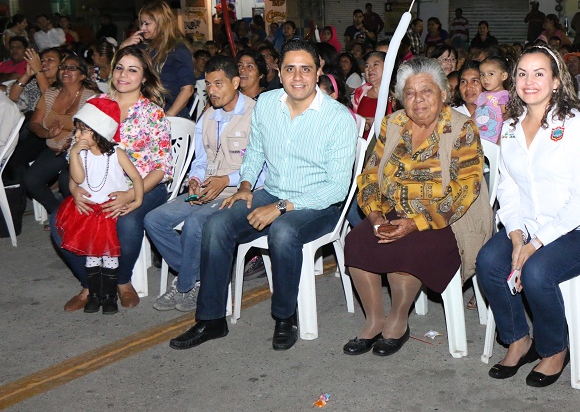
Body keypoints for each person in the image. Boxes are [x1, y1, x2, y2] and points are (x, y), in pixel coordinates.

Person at [169, 39, 357, 350]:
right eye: (290, 69)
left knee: (283, 232)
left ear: (318, 71)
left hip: (320, 203)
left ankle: (285, 317)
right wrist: (245, 186)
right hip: (272, 192)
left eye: (306, 69)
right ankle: (211, 319)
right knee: (216, 223)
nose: (298, 78)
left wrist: (282, 207)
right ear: (279, 73)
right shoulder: (267, 104)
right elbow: (254, 151)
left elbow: (337, 188)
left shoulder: (338, 118)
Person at [475, 45, 580, 387]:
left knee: (537, 272)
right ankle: (518, 338)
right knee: (488, 263)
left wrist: (534, 244)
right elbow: (507, 188)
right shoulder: (510, 126)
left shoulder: (576, 125)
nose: (529, 81)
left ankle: (554, 349)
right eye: (522, 73)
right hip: (531, 224)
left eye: (539, 73)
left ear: (555, 81)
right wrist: (516, 237)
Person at [343, 57, 492, 356]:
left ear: (443, 94)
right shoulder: (393, 124)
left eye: (426, 91)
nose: (418, 99)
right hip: (393, 207)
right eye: (409, 93)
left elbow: (465, 190)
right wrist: (373, 213)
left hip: (446, 217)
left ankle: (398, 319)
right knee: (356, 242)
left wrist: (415, 222)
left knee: (409, 247)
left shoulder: (462, 128)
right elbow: (370, 174)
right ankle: (374, 319)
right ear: (401, 98)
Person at [53, 46, 172, 312]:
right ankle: (90, 285)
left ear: (144, 77)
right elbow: (76, 151)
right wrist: (74, 188)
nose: (123, 75)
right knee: (57, 224)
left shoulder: (151, 113)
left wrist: (131, 195)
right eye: (120, 67)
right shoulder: (96, 105)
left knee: (126, 221)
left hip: (144, 185)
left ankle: (122, 281)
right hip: (93, 184)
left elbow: (162, 166)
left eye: (133, 70)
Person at [144, 56, 258, 312]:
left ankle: (184, 285)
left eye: (219, 84)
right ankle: (195, 276)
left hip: (240, 193)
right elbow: (201, 159)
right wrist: (195, 179)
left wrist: (227, 180)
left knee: (196, 223)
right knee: (154, 220)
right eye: (208, 84)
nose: (212, 90)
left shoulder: (257, 114)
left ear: (236, 82)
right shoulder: (207, 116)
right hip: (207, 189)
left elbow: (266, 170)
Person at [57, 98, 144, 315]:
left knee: (109, 256)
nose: (77, 135)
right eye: (77, 130)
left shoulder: (117, 154)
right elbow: (77, 179)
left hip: (107, 211)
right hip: (88, 211)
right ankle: (95, 295)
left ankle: (110, 296)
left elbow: (136, 178)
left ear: (99, 132)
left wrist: (138, 200)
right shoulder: (81, 155)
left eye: (83, 131)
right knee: (92, 256)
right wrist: (75, 154)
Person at [21, 55, 98, 217]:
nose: (66, 71)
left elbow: (95, 131)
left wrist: (73, 142)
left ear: (83, 75)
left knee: (66, 180)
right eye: (63, 67)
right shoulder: (50, 94)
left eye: (72, 68)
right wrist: (47, 133)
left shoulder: (91, 98)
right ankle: (60, 214)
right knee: (31, 180)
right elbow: (34, 123)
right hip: (55, 148)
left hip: (82, 151)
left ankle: (76, 218)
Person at [120, 1, 195, 118]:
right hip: (142, 113)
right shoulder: (142, 47)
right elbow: (119, 74)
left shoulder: (178, 50)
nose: (142, 28)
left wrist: (168, 117)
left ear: (161, 24)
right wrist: (124, 47)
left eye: (147, 24)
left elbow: (187, 89)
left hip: (170, 114)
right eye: (141, 23)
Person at [352, 50, 392, 138]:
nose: (370, 69)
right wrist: (361, 123)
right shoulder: (361, 91)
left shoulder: (395, 94)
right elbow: (354, 118)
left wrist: (378, 123)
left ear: (388, 67)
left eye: (375, 64)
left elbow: (401, 124)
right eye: (367, 66)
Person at [475, 55, 510, 144]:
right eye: (482, 74)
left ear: (503, 76)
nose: (485, 78)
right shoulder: (482, 95)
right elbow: (475, 114)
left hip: (493, 141)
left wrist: (500, 140)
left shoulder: (504, 95)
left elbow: (507, 120)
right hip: (477, 139)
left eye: (491, 74)